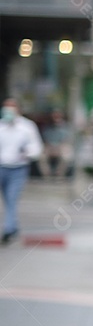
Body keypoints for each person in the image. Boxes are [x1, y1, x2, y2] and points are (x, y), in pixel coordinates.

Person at [0, 99, 44, 245]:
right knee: (7, 200)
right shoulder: (1, 126)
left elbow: (37, 148)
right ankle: (13, 226)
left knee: (12, 198)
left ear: (17, 110)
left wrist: (27, 153)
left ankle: (8, 230)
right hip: (2, 167)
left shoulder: (27, 127)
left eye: (10, 109)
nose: (7, 112)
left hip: (18, 169)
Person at [42, 110, 72, 179]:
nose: (56, 117)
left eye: (58, 116)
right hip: (50, 147)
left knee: (66, 157)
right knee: (41, 156)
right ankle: (47, 175)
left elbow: (66, 140)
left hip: (61, 147)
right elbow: (46, 140)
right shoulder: (47, 127)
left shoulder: (66, 127)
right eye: (54, 116)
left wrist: (58, 148)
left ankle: (59, 175)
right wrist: (51, 148)